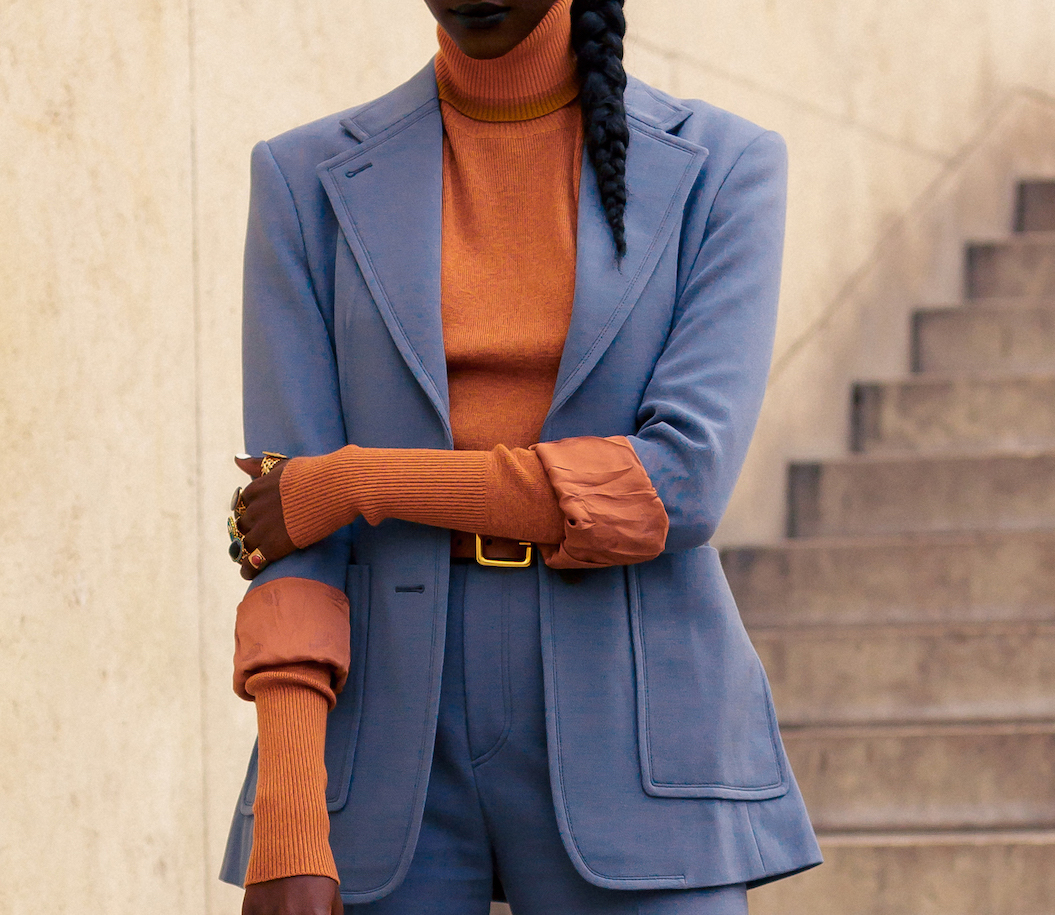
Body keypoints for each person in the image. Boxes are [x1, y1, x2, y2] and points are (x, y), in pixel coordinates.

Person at [219, 1, 822, 912]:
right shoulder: (306, 179)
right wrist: (292, 810)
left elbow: (675, 483)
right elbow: (287, 531)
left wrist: (357, 479)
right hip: (381, 743)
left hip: (640, 727)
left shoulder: (725, 168)